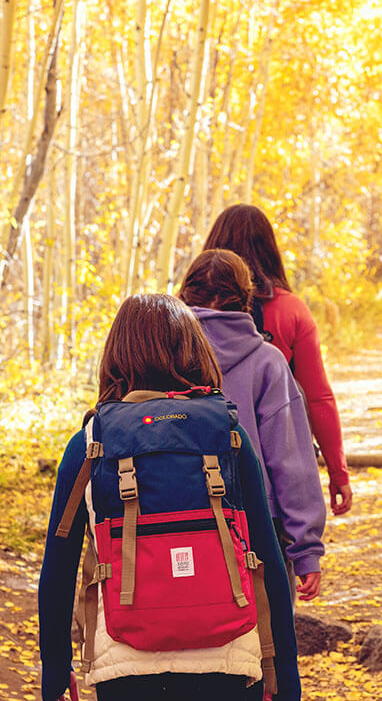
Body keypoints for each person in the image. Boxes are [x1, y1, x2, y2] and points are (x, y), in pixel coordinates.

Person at [39, 294, 301, 701]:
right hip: (228, 658)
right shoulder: (228, 436)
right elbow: (265, 554)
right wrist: (283, 670)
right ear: (195, 352)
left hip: (125, 662)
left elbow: (58, 568)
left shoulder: (90, 444)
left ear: (116, 356)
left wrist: (56, 667)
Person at [179, 249, 326, 601]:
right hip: (258, 526)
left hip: (173, 517)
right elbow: (291, 461)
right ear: (246, 298)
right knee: (268, 640)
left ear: (184, 294)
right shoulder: (268, 363)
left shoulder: (162, 357)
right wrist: (306, 549)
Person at [203, 204, 352, 517]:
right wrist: (337, 473)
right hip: (274, 482)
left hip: (199, 473)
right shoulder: (291, 311)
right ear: (270, 250)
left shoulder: (183, 315)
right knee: (274, 563)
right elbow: (318, 397)